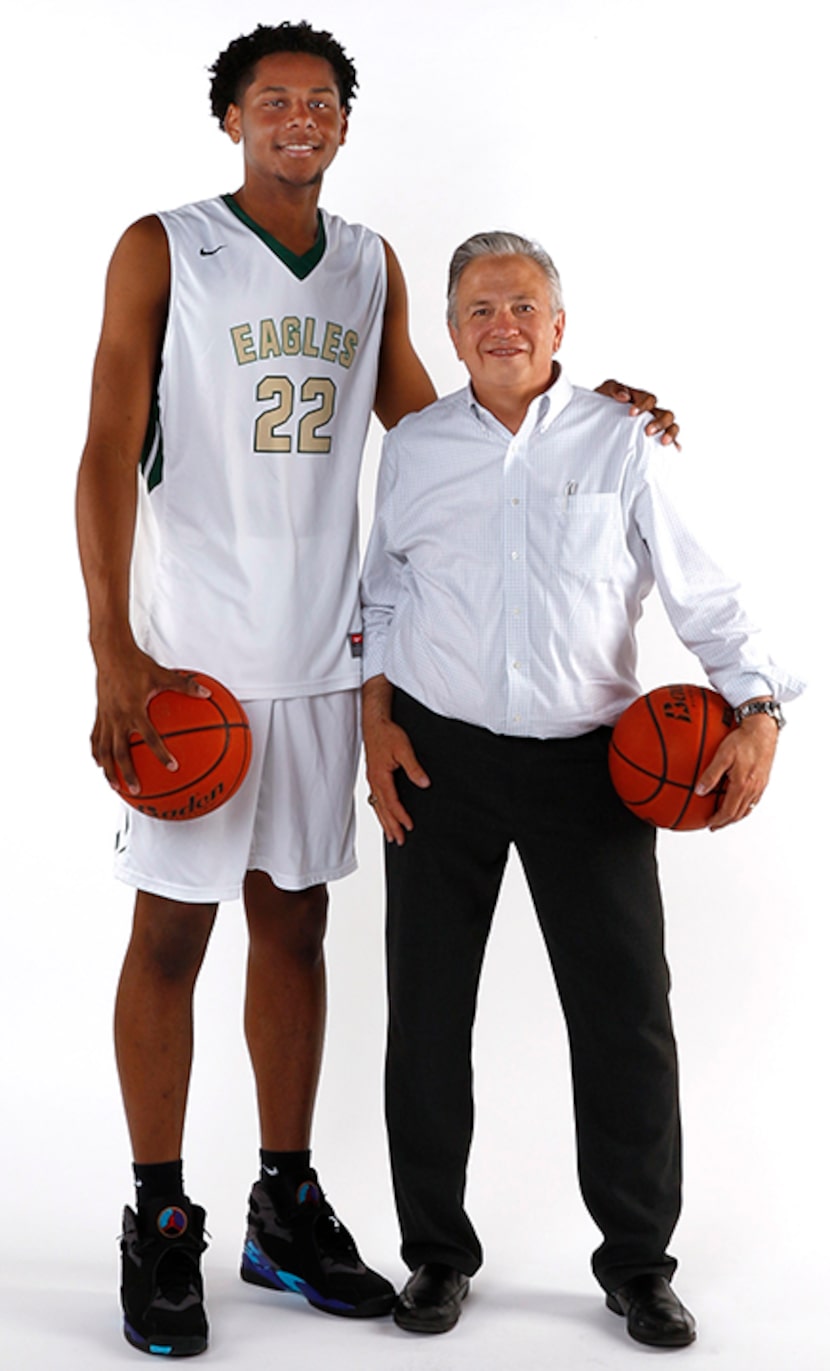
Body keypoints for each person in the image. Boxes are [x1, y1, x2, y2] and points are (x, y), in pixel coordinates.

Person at [76, 21, 680, 1359]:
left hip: (325, 660)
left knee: (292, 934)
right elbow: (108, 444)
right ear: (230, 117)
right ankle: (157, 1215)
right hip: (192, 669)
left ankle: (279, 1202)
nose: (298, 116)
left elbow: (434, 421)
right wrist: (112, 645)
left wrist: (581, 407)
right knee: (170, 937)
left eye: (321, 101)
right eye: (272, 98)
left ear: (344, 125)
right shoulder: (160, 245)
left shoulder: (365, 263)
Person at [360, 231, 804, 1348]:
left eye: (521, 305)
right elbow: (381, 594)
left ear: (559, 326)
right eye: (476, 310)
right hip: (438, 759)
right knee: (425, 1020)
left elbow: (709, 596)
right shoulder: (412, 449)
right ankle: (434, 1258)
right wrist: (375, 729)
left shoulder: (628, 442)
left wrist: (756, 710)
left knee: (622, 1022)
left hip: (588, 771)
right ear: (450, 332)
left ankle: (638, 1265)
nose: (499, 324)